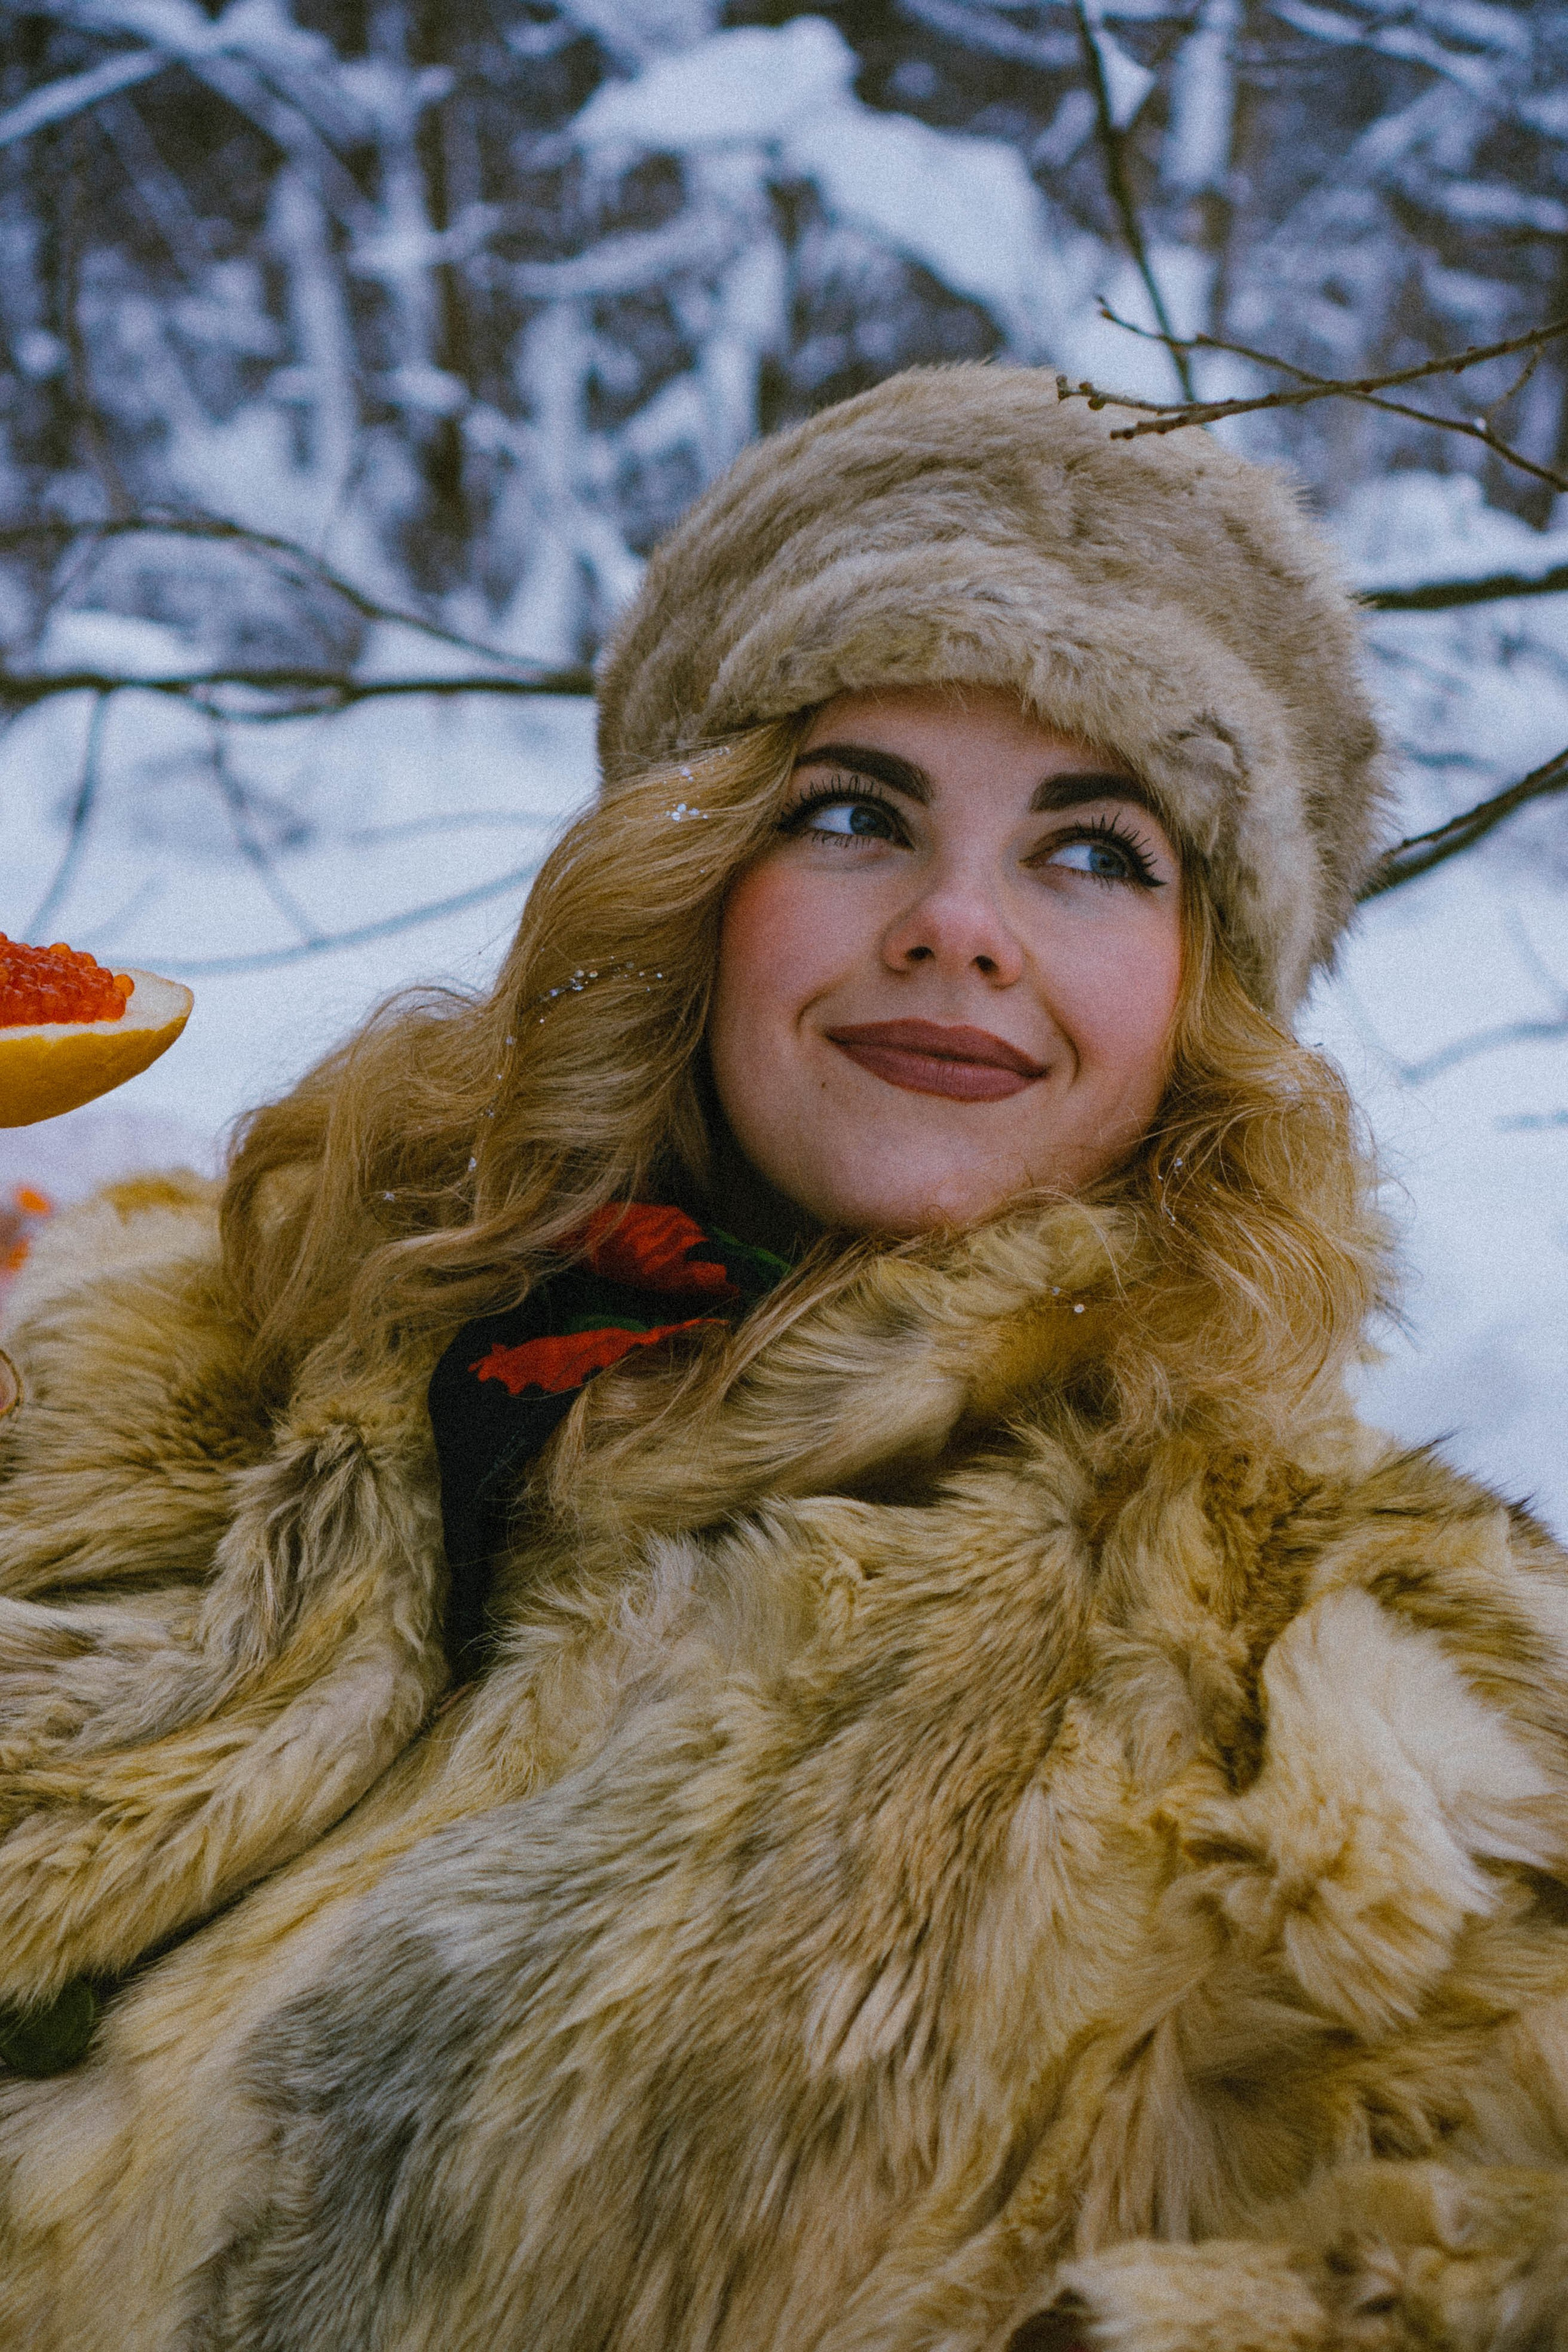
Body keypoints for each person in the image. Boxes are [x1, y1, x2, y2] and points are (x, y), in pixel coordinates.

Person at [1, 365, 1567, 2352]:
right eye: (853, 815)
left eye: (1095, 851)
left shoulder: (1357, 1676)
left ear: (1202, 1001)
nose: (956, 925)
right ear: (698, 883)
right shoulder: (190, 1359)